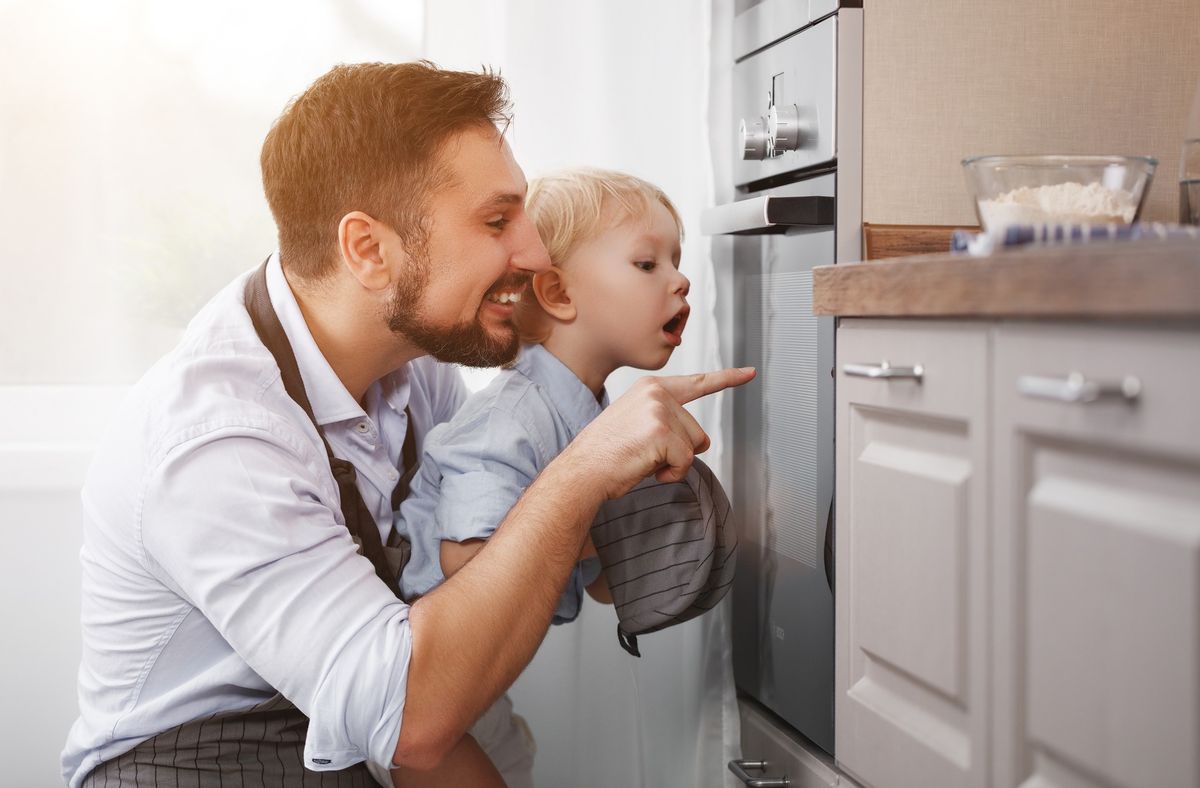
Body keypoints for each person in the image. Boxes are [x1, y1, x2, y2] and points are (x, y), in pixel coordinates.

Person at [61, 61, 753, 787]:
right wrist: (584, 470)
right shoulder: (216, 439)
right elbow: (413, 715)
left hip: (348, 736)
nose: (536, 252)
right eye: (497, 221)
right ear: (368, 250)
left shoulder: (419, 366)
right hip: (197, 761)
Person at [393, 167, 691, 785]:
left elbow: (607, 588)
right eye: (647, 264)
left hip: (483, 685)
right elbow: (468, 564)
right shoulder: (512, 419)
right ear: (557, 294)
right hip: (416, 693)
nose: (679, 279)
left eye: (675, 260)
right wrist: (609, 523)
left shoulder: (594, 417)